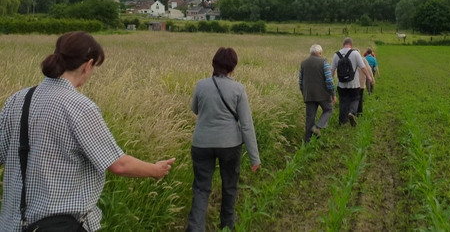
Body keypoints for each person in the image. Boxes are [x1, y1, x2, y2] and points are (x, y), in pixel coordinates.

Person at [0, 31, 175, 232]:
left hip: (12, 225)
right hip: (62, 226)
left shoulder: (18, 99)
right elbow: (119, 165)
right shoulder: (80, 107)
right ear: (88, 65)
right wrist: (156, 170)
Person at [187, 47, 260, 232]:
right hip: (230, 145)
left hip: (201, 143)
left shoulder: (201, 85)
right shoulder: (238, 89)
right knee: (229, 186)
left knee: (201, 189)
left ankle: (195, 228)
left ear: (214, 63)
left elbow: (195, 109)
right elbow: (246, 125)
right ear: (232, 67)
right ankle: (227, 226)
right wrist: (254, 157)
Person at [331, 37, 374, 127]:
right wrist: (369, 77)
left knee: (343, 101)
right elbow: (363, 67)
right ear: (351, 45)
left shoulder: (336, 54)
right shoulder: (355, 53)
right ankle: (351, 112)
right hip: (354, 83)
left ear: (343, 44)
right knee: (355, 98)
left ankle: (343, 121)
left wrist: (330, 82)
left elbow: (332, 70)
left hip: (341, 84)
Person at [299, 44, 336, 143]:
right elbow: (329, 80)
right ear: (320, 52)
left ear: (310, 53)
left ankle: (307, 142)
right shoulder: (324, 62)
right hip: (323, 94)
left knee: (309, 118)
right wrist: (333, 93)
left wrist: (304, 92)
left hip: (309, 94)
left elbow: (300, 82)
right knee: (329, 109)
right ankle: (318, 126)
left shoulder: (303, 63)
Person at [356, 49, 375, 116]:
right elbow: (369, 69)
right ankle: (359, 113)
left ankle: (352, 112)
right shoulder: (363, 59)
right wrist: (372, 79)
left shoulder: (350, 59)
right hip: (361, 83)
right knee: (360, 98)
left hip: (352, 84)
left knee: (352, 98)